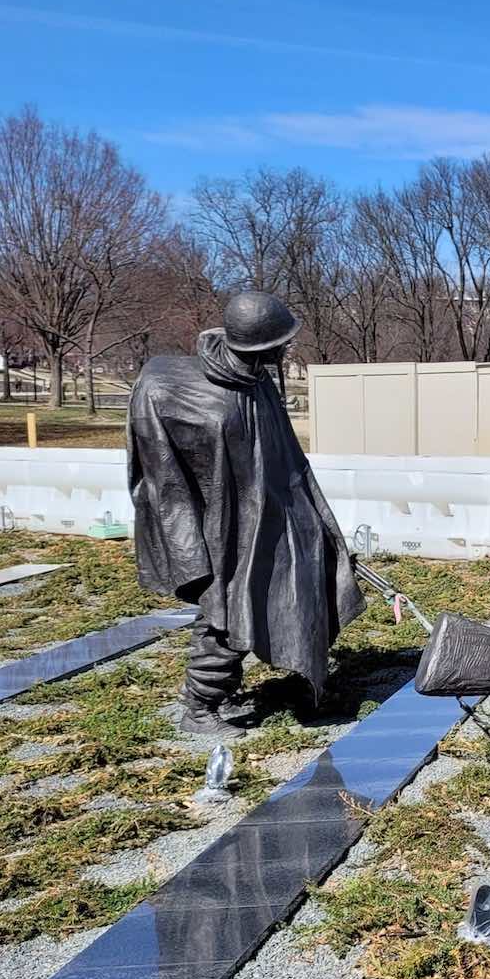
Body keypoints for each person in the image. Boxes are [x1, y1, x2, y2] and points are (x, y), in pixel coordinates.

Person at [127, 291, 363, 736]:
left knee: (310, 583)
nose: (286, 348)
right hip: (223, 525)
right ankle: (200, 705)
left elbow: (283, 457)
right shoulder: (180, 390)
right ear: (262, 345)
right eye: (281, 342)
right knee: (228, 608)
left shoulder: (258, 383)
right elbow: (166, 471)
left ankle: (305, 677)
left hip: (277, 512)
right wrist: (188, 536)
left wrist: (314, 519)